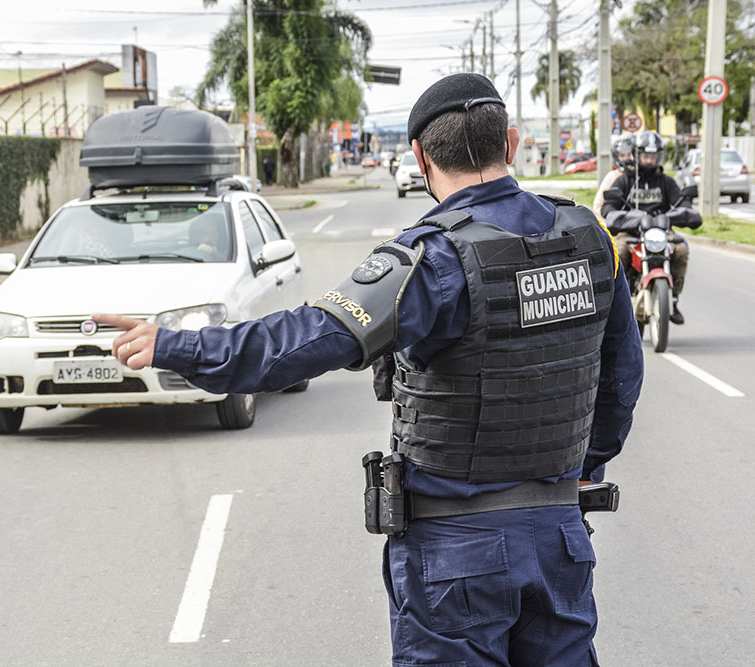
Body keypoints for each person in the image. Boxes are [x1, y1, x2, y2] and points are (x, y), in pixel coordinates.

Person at [96, 73, 643, 666]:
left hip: (458, 556)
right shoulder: (589, 237)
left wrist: (176, 348)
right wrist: (573, 474)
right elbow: (621, 379)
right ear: (509, 145)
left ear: (420, 156)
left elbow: (307, 339)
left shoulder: (434, 259)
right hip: (560, 540)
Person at [600, 130, 690, 324]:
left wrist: (683, 212)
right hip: (631, 232)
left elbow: (682, 203)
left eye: (653, 156)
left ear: (660, 157)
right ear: (637, 154)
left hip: (662, 232)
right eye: (646, 156)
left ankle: (673, 299)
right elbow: (609, 206)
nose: (649, 160)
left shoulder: (666, 182)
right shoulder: (625, 180)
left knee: (681, 250)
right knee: (620, 252)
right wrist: (624, 217)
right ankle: (615, 302)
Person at [592, 133, 636, 217]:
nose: (626, 158)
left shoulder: (642, 176)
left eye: (630, 154)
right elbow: (598, 206)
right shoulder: (612, 177)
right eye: (622, 155)